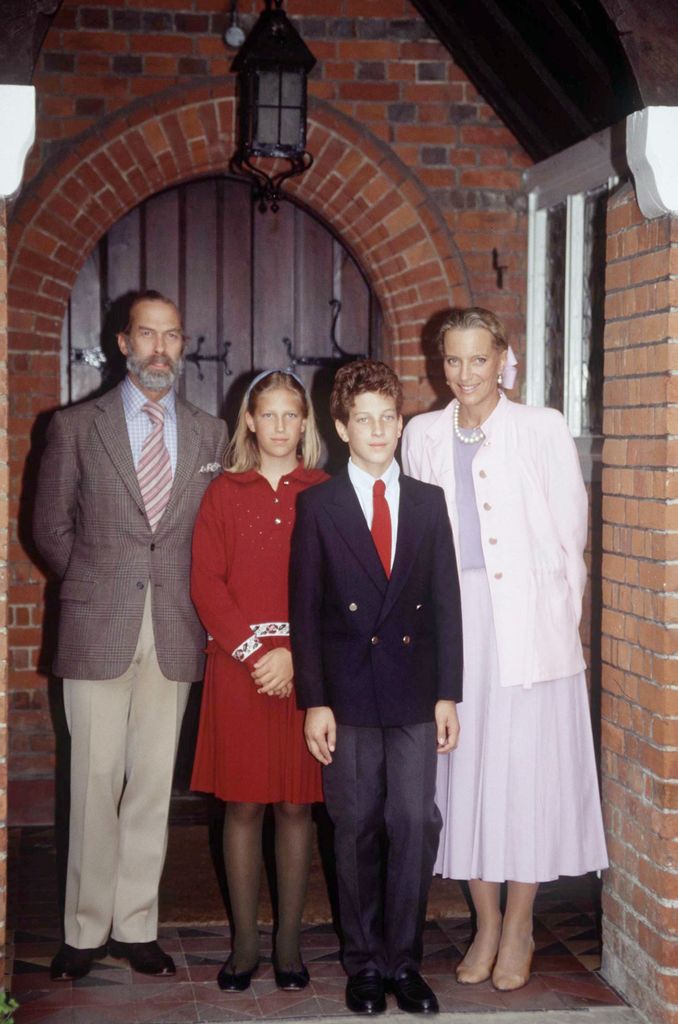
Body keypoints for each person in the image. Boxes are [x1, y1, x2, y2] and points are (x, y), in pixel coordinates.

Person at [401, 306, 608, 992]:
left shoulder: (539, 428)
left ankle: (520, 923)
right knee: (462, 777)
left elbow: (568, 534)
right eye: (452, 361)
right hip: (454, 631)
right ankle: (484, 921)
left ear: (503, 358)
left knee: (524, 777)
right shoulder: (421, 433)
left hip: (528, 633)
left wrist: (555, 623)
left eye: (478, 360)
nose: (465, 375)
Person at [33, 290, 228, 982]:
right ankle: (84, 931)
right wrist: (93, 583)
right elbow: (48, 528)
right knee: (91, 779)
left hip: (175, 628)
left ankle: (136, 924)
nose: (159, 350)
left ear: (182, 345)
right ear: (122, 342)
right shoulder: (76, 427)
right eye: (146, 335)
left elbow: (213, 534)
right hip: (97, 623)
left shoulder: (210, 433)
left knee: (151, 783)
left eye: (171, 336)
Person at [289, 359, 463, 1016]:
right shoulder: (320, 506)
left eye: (388, 418)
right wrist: (315, 700)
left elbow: (445, 603)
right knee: (356, 824)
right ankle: (364, 963)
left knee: (414, 821)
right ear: (341, 427)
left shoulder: (426, 501)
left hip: (417, 689)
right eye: (364, 420)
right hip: (348, 691)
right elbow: (305, 609)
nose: (378, 430)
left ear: (400, 421)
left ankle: (405, 960)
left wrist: (448, 692)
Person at [190, 369, 326, 993]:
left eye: (289, 415)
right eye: (266, 415)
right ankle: (245, 942)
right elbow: (206, 584)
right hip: (239, 670)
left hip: (305, 671)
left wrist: (296, 652)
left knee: (297, 807)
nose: (278, 427)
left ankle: (290, 942)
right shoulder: (225, 491)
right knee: (242, 806)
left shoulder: (325, 490)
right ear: (249, 420)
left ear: (305, 423)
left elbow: (339, 585)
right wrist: (254, 652)